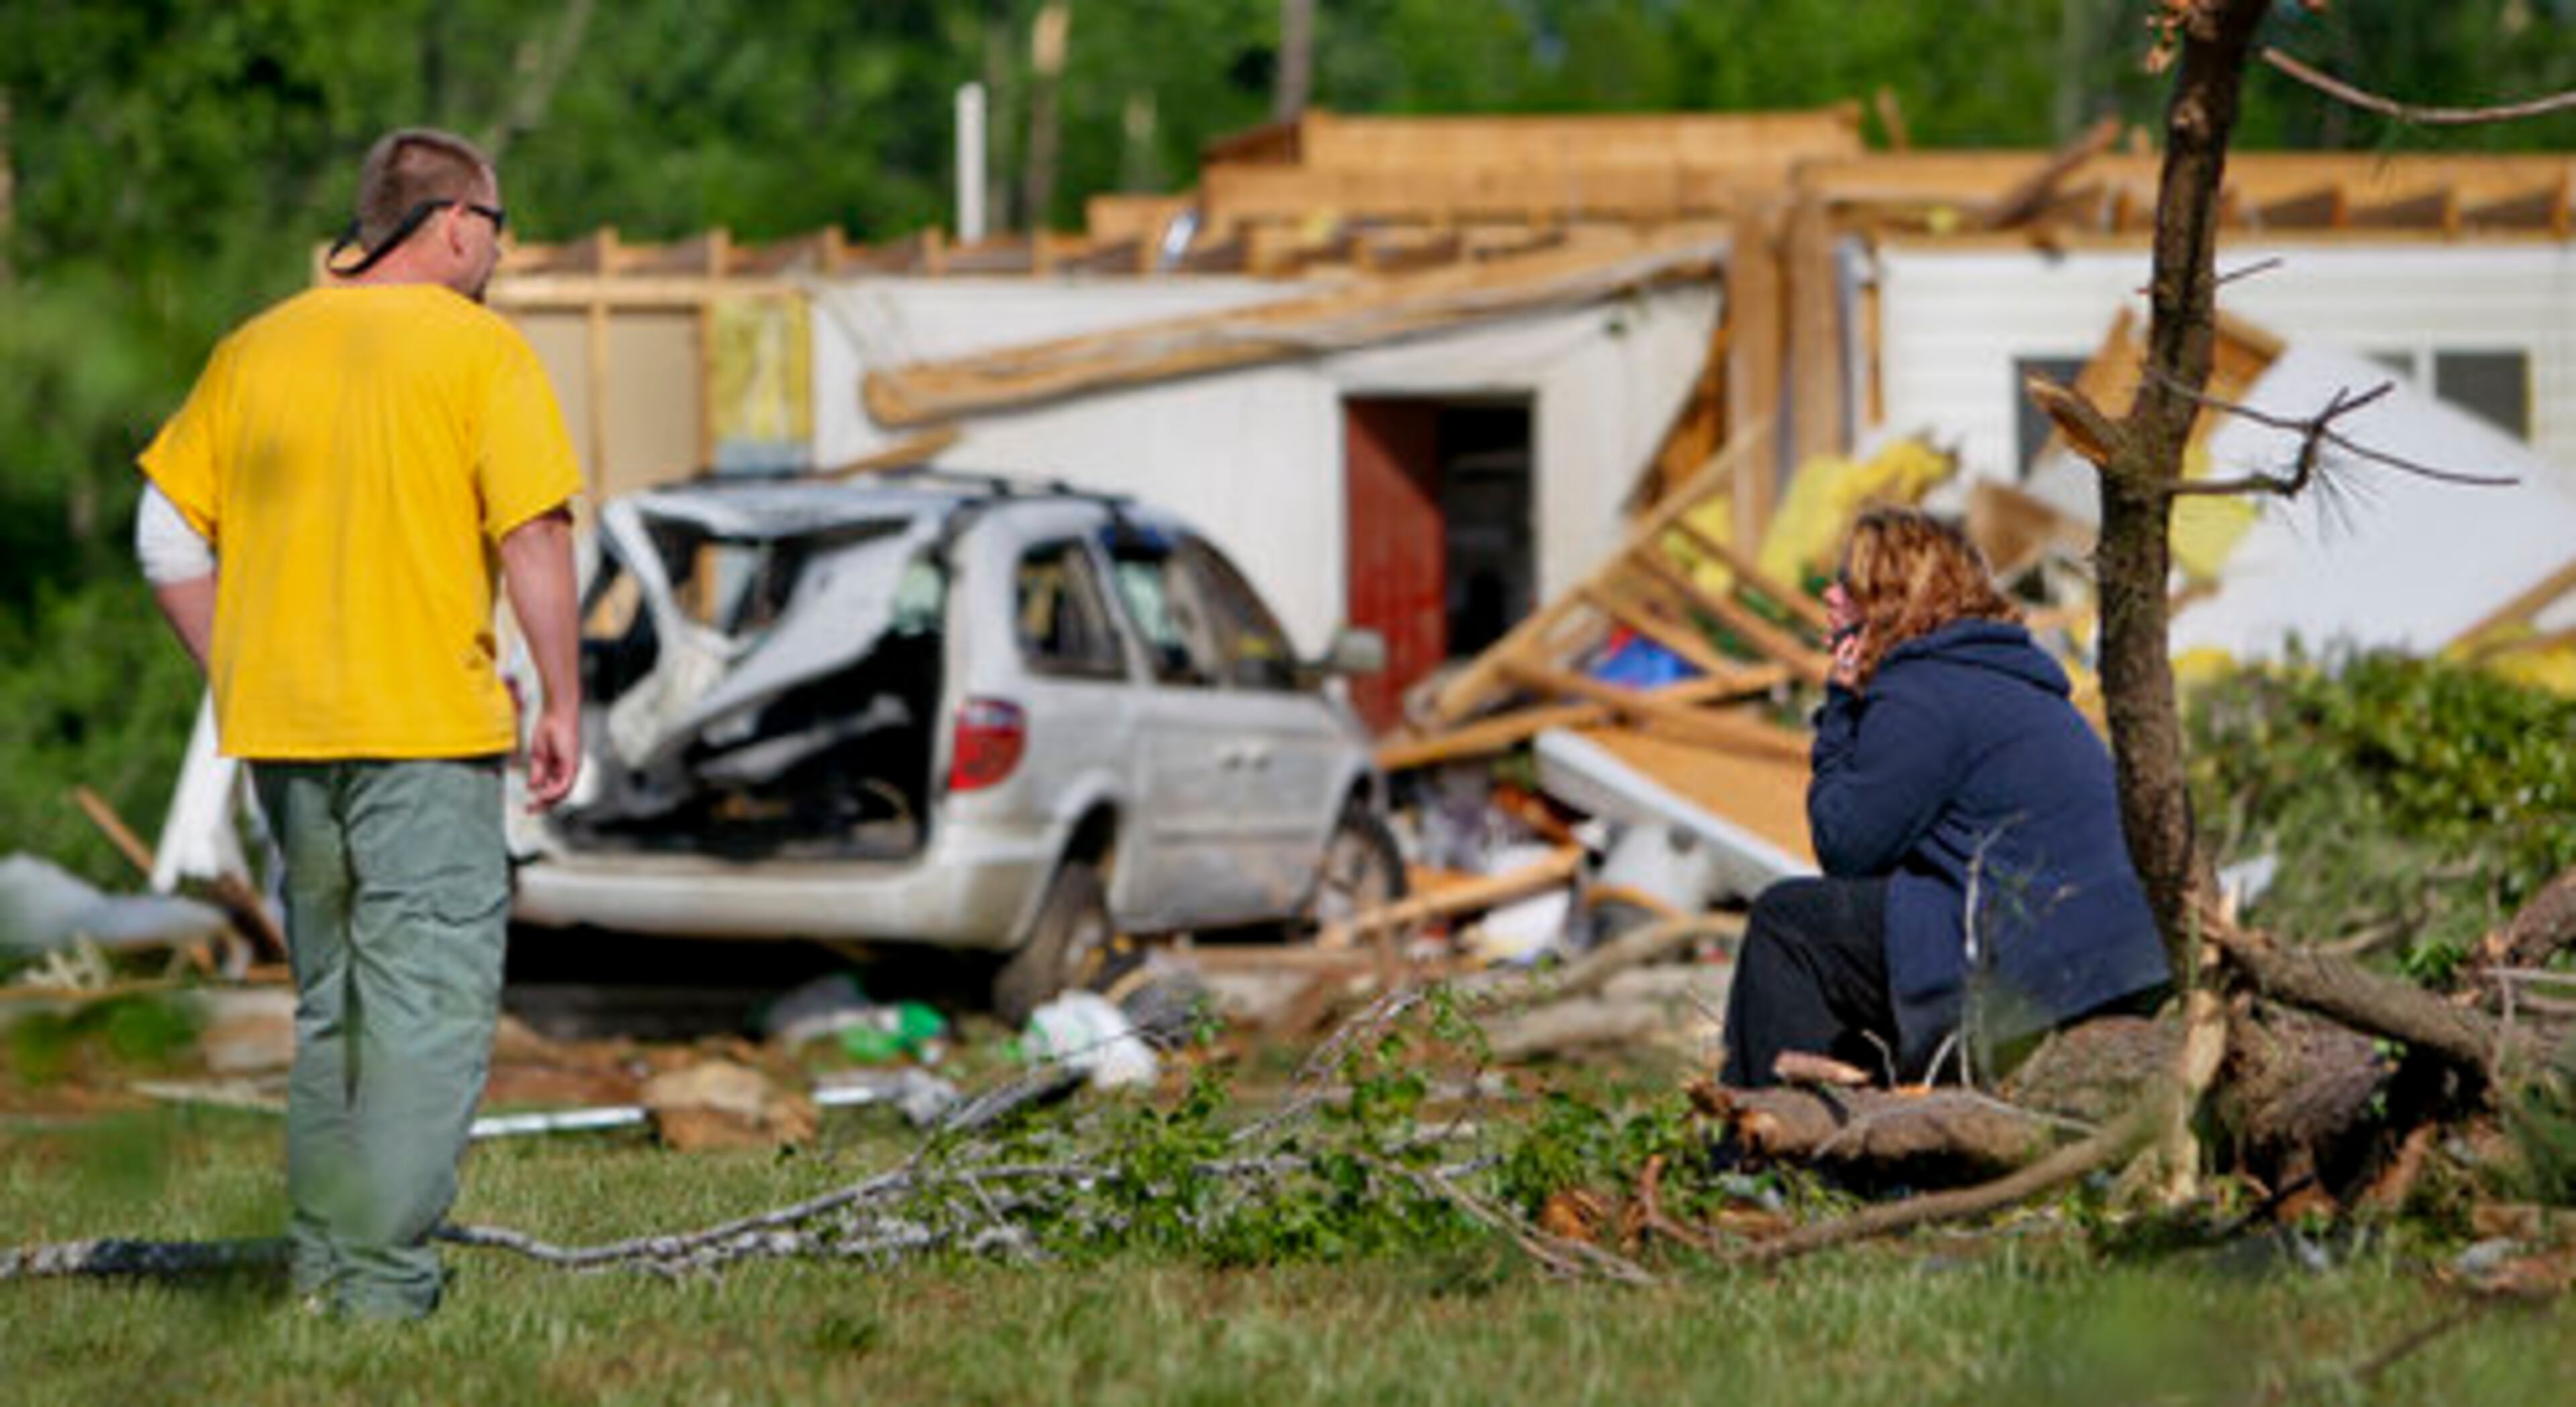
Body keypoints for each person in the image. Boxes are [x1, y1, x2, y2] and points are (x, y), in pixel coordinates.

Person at [136, 127, 584, 1320]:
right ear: (452, 225)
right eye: (499, 225)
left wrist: (241, 663)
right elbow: (536, 534)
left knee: (335, 1004)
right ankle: (384, 1287)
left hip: (286, 737)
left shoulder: (257, 347)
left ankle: (327, 1267)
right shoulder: (482, 355)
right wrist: (562, 697)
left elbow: (165, 536)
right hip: (425, 731)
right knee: (426, 1004)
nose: (501, 248)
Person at [1720, 507, 2170, 1089]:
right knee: (1865, 935)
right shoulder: (2001, 675)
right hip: (2120, 961)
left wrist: (1839, 706)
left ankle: (1767, 1166)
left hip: (2042, 966)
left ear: (1891, 598)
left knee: (1789, 924)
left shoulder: (1922, 691)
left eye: (1850, 586)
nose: (1829, 596)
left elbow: (1846, 847)